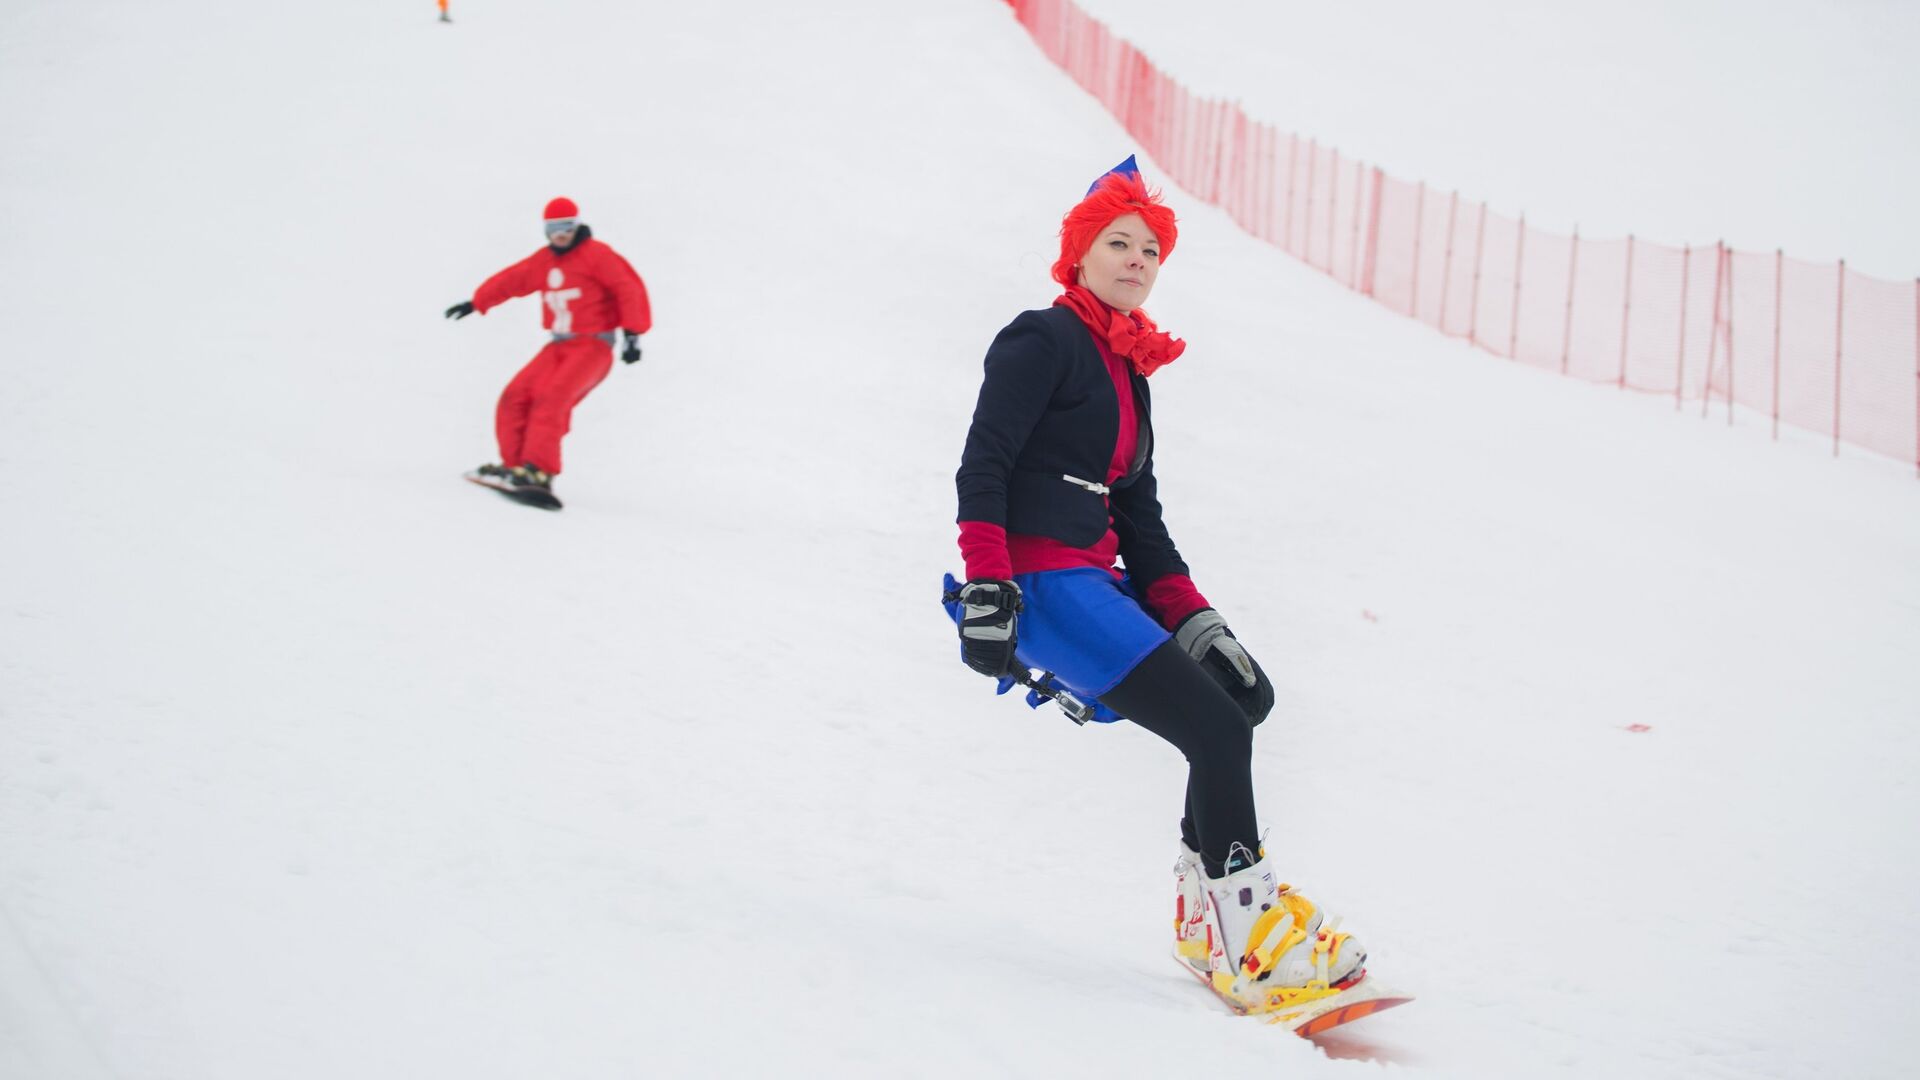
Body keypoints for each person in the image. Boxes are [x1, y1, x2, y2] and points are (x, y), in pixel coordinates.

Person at [943, 158, 1367, 1012]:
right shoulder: (1043, 338)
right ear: (1080, 255)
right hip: (1044, 580)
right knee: (1216, 732)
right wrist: (990, 589)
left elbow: (1143, 528)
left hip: (1097, 578)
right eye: (1119, 244)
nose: (1137, 260)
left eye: (1151, 250)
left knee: (1237, 706)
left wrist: (1204, 626)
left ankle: (1209, 913)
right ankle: (1248, 936)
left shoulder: (1129, 374)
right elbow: (982, 467)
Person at [444, 197, 651, 503]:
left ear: (577, 225)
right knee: (515, 396)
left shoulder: (598, 256)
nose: (561, 235)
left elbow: (628, 288)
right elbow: (512, 280)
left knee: (551, 399)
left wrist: (633, 334)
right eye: (554, 229)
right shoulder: (544, 261)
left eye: (567, 227)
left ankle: (540, 471)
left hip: (593, 346)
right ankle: (515, 468)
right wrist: (477, 302)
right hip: (558, 344)